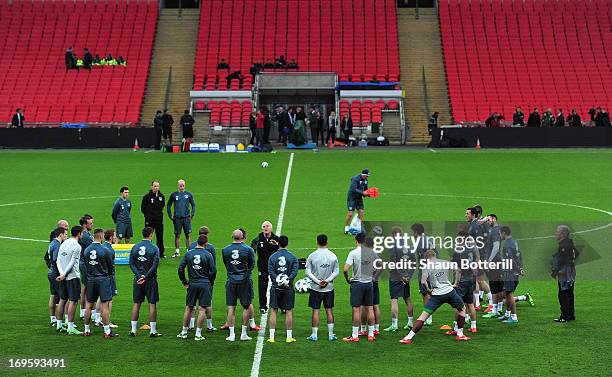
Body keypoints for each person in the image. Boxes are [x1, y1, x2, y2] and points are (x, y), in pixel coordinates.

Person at [400, 250, 471, 344]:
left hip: (436, 295)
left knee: (424, 316)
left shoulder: (426, 267)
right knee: (462, 309)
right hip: (450, 292)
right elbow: (458, 270)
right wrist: (456, 283)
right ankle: (460, 334)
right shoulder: (444, 262)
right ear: (435, 255)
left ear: (426, 258)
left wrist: (429, 290)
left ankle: (408, 337)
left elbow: (423, 281)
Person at [177, 234, 216, 341]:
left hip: (192, 284)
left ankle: (184, 332)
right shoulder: (208, 255)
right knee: (202, 309)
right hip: (204, 283)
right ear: (206, 243)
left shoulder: (189, 254)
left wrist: (184, 282)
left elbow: (180, 268)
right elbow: (213, 271)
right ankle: (198, 334)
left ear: (196, 242)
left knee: (189, 307)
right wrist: (210, 282)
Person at [342, 233, 380, 342]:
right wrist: (374, 276)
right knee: (370, 308)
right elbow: (380, 264)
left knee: (356, 309)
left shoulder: (353, 253)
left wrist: (348, 279)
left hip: (357, 283)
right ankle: (371, 334)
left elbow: (345, 269)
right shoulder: (371, 252)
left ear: (356, 241)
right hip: (369, 283)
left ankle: (355, 336)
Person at [82, 228, 116, 338]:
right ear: (101, 236)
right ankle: (107, 331)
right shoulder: (105, 250)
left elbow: (85, 266)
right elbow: (111, 267)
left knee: (89, 305)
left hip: (91, 280)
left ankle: (86, 330)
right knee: (105, 305)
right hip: (103, 280)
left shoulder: (87, 250)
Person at [222, 229, 256, 341]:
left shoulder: (225, 250)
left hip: (231, 280)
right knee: (246, 307)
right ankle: (243, 333)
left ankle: (231, 334)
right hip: (244, 281)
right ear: (243, 237)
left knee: (231, 307)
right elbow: (251, 265)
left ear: (232, 236)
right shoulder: (248, 250)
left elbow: (226, 264)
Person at [129, 227, 162, 337]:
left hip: (137, 280)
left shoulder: (135, 247)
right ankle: (153, 331)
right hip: (150, 280)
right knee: (152, 304)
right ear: (151, 235)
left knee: (136, 304)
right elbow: (155, 264)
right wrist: (146, 277)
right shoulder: (154, 248)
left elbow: (131, 263)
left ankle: (133, 330)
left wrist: (139, 275)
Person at [305, 234, 339, 341]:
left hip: (316, 288)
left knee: (316, 310)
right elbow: (336, 271)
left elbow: (307, 272)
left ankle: (314, 335)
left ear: (317, 242)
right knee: (329, 310)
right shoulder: (333, 256)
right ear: (327, 242)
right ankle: (331, 334)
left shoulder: (312, 256)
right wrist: (327, 281)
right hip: (329, 288)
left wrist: (318, 282)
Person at [266, 235, 298, 343]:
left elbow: (270, 272)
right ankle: (289, 337)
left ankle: (271, 337)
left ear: (278, 243)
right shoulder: (293, 257)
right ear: (287, 244)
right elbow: (294, 272)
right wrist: (287, 280)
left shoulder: (272, 257)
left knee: (273, 311)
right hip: (288, 288)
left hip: (275, 288)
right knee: (289, 311)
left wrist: (278, 281)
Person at [383, 227, 415, 333]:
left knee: (394, 299)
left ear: (393, 235)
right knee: (407, 298)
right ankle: (410, 323)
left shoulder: (394, 246)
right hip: (406, 276)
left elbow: (393, 262)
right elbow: (413, 262)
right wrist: (408, 276)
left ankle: (394, 325)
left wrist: (400, 276)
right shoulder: (409, 246)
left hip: (396, 277)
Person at [187, 226, 217, 331]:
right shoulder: (210, 248)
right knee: (207, 303)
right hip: (206, 280)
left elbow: (187, 262)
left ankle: (190, 324)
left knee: (191, 303)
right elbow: (213, 267)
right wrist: (211, 281)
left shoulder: (191, 246)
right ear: (207, 235)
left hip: (193, 279)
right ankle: (209, 325)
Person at [56, 226, 84, 335]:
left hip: (62, 275)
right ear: (79, 234)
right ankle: (70, 327)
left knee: (62, 300)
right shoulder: (77, 246)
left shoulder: (63, 243)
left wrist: (61, 273)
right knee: (73, 301)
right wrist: (64, 274)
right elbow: (72, 262)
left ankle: (59, 325)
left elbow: (58, 259)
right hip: (72, 276)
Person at [450, 231, 479, 334]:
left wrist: (456, 283)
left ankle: (456, 328)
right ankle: (474, 326)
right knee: (470, 303)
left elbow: (456, 268)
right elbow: (476, 257)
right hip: (470, 278)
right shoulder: (471, 248)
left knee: (458, 305)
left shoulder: (458, 250)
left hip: (461, 280)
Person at [498, 226, 525, 324]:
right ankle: (507, 314)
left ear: (504, 233)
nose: (500, 235)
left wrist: (518, 269)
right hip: (514, 271)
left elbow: (510, 260)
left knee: (509, 294)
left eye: (500, 233)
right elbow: (519, 255)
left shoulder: (507, 244)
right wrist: (520, 268)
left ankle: (514, 317)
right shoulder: (514, 241)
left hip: (510, 272)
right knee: (506, 293)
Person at [250, 221, 280, 314]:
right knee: (262, 287)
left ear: (271, 228)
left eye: (267, 226)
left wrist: (277, 245)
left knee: (279, 285)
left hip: (275, 267)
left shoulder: (276, 239)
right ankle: (262, 306)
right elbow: (251, 252)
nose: (265, 228)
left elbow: (282, 251)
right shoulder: (257, 240)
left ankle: (281, 305)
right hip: (262, 267)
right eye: (264, 226)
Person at [552, 225, 578, 322]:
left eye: (557, 231)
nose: (556, 233)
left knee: (563, 294)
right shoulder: (570, 242)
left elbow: (561, 260)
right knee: (570, 293)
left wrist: (555, 271)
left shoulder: (563, 245)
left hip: (565, 273)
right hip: (571, 271)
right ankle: (571, 315)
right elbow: (577, 253)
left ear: (563, 234)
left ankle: (564, 317)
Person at [466, 207, 490, 312]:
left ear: (473, 215)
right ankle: (477, 303)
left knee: (480, 280)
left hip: (478, 257)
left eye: (467, 214)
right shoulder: (473, 224)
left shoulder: (475, 226)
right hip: (474, 257)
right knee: (474, 279)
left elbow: (479, 243)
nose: (465, 215)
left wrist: (477, 258)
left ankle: (491, 303)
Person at [412, 223, 436, 326]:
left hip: (425, 270)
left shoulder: (420, 241)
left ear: (416, 232)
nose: (412, 234)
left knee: (425, 294)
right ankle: (429, 316)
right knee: (428, 293)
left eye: (413, 232)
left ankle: (428, 317)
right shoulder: (428, 239)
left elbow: (424, 257)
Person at [167, 179, 196, 258]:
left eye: (183, 185)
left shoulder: (189, 194)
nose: (182, 187)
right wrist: (170, 215)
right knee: (177, 235)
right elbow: (168, 205)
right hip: (177, 219)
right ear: (178, 185)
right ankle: (177, 252)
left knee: (187, 235)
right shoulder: (174, 195)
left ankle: (188, 251)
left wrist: (192, 214)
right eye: (180, 186)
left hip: (186, 218)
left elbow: (193, 205)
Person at [482, 214, 503, 318]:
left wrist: (489, 261)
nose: (487, 221)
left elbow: (496, 247)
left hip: (494, 261)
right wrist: (485, 219)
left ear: (494, 219)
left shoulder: (494, 230)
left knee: (494, 286)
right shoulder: (494, 229)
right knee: (498, 286)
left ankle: (494, 310)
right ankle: (498, 309)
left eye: (489, 219)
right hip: (496, 260)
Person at [47, 227, 67, 328]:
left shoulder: (51, 243)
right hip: (55, 273)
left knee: (53, 295)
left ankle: (53, 319)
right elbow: (55, 259)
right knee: (63, 297)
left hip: (51, 272)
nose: (66, 237)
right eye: (65, 234)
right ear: (60, 235)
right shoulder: (57, 244)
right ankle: (63, 321)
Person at [141, 180, 166, 258]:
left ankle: (160, 253)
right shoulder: (146, 197)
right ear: (151, 187)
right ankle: (149, 252)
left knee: (160, 236)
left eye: (157, 186)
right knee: (148, 236)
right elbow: (143, 209)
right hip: (149, 221)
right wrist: (148, 216)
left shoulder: (161, 196)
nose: (156, 188)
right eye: (155, 186)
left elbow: (162, 206)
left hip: (159, 220)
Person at [344, 169, 370, 234]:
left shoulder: (365, 180)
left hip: (359, 198)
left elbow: (366, 189)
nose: (367, 177)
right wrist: (363, 193)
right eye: (366, 176)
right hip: (352, 198)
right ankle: (346, 228)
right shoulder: (355, 179)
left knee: (361, 213)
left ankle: (359, 228)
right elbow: (354, 189)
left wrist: (369, 194)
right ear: (363, 175)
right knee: (350, 214)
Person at [78, 214, 94, 320]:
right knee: (86, 287)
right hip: (85, 263)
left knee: (85, 286)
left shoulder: (85, 234)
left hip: (84, 262)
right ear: (84, 224)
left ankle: (83, 311)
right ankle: (84, 311)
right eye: (90, 223)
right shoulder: (86, 236)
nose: (92, 225)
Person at [102, 229, 118, 326]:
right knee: (109, 299)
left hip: (100, 276)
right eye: (115, 236)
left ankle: (97, 318)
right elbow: (111, 266)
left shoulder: (102, 247)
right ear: (111, 237)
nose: (116, 237)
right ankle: (107, 321)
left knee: (102, 298)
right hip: (109, 277)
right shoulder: (110, 249)